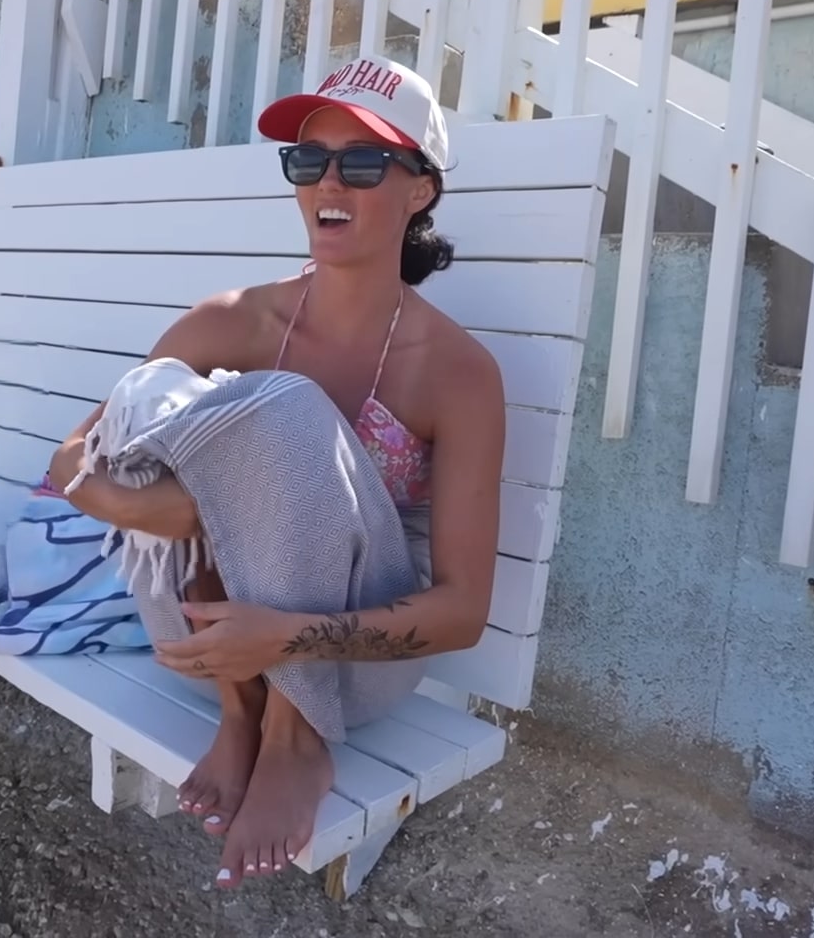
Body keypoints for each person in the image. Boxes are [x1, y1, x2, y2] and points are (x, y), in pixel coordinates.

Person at [45, 53, 505, 888]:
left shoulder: (457, 373)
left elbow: (464, 613)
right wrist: (164, 508)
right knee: (153, 394)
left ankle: (293, 739)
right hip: (209, 644)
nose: (328, 181)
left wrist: (286, 638)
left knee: (285, 408)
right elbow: (78, 452)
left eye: (362, 163)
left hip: (350, 667)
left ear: (420, 191)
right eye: (309, 159)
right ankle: (241, 713)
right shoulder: (235, 318)